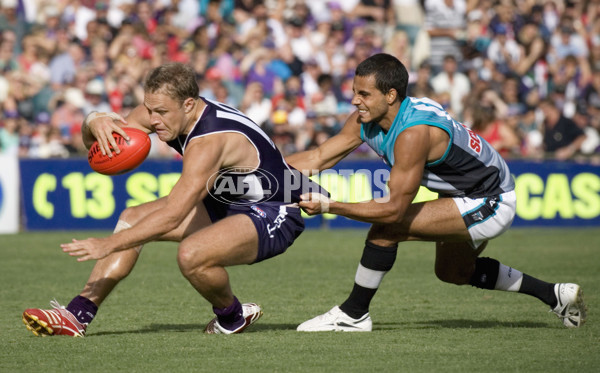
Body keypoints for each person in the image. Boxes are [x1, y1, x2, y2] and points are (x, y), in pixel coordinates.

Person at [286, 53, 586, 332]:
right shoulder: (368, 118)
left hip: (490, 199)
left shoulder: (413, 133)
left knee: (387, 226)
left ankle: (353, 315)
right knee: (453, 272)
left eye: (364, 94)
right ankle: (555, 294)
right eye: (354, 91)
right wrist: (262, 171)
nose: (354, 101)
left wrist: (330, 206)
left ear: (391, 96)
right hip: (463, 193)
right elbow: (317, 158)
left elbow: (393, 209)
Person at [22, 62, 324, 337]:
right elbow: (105, 147)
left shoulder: (209, 140)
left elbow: (173, 214)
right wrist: (94, 120)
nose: (153, 120)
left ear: (189, 105)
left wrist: (108, 244)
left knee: (192, 256)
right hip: (229, 199)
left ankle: (230, 316)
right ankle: (77, 316)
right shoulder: (163, 111)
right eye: (149, 109)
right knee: (134, 215)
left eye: (161, 113)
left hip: (274, 211)